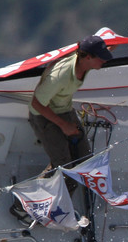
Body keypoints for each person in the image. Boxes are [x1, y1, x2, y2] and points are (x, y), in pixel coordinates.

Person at [28, 34, 112, 173]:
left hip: (64, 110)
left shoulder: (84, 62)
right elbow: (36, 104)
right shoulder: (60, 76)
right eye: (102, 57)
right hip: (43, 115)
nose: (105, 60)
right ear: (88, 57)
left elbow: (103, 53)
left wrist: (112, 46)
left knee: (86, 161)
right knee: (64, 169)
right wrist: (64, 125)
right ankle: (41, 191)